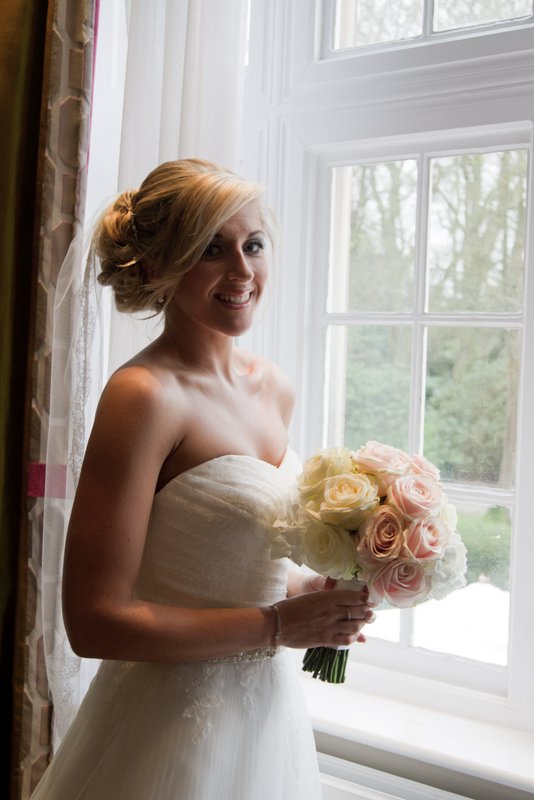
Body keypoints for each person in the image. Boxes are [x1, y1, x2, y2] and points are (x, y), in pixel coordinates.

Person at [31, 159, 375, 799]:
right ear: (161, 266)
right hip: (165, 733)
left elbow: (232, 560)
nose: (242, 272)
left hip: (268, 722)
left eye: (253, 245)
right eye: (212, 250)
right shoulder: (144, 397)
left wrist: (318, 590)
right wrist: (279, 626)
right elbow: (94, 622)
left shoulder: (275, 388)